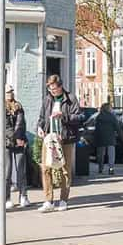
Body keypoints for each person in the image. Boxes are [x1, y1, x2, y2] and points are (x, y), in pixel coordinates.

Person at [37, 75, 83, 213]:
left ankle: (63, 200)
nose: (53, 92)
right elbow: (41, 117)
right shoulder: (47, 99)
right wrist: (39, 127)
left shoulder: (71, 99)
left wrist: (63, 116)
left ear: (60, 86)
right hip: (49, 138)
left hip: (65, 138)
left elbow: (80, 117)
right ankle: (48, 201)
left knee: (65, 169)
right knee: (45, 168)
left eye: (55, 89)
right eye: (50, 89)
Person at [2, 85, 31, 209]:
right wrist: (15, 138)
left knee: (21, 170)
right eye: (8, 92)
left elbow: (21, 123)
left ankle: (23, 195)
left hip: (19, 141)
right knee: (7, 171)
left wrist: (20, 137)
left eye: (12, 91)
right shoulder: (0, 107)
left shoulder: (18, 106)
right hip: (6, 143)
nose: (10, 94)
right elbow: (3, 126)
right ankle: (6, 198)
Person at [94, 102, 119, 175]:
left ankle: (100, 168)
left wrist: (95, 137)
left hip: (100, 138)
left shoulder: (99, 117)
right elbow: (117, 127)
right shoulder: (112, 117)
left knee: (101, 154)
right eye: (111, 107)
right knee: (111, 154)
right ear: (108, 108)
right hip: (110, 138)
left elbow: (96, 128)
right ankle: (111, 168)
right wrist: (121, 135)